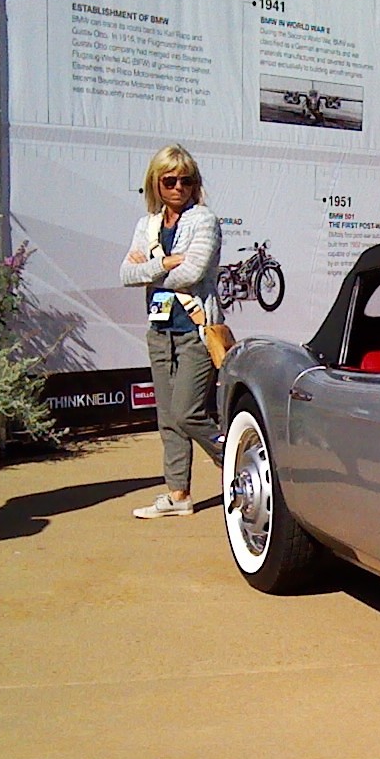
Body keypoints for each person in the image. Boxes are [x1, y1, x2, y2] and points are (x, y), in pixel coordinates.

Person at [120, 144, 224, 519]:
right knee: (168, 417)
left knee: (187, 412)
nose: (178, 187)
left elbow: (193, 272)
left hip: (196, 328)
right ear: (156, 183)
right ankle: (178, 495)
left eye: (187, 180)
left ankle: (234, 461)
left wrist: (148, 267)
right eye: (170, 180)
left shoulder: (204, 220)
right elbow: (124, 275)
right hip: (160, 328)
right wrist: (163, 261)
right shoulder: (146, 225)